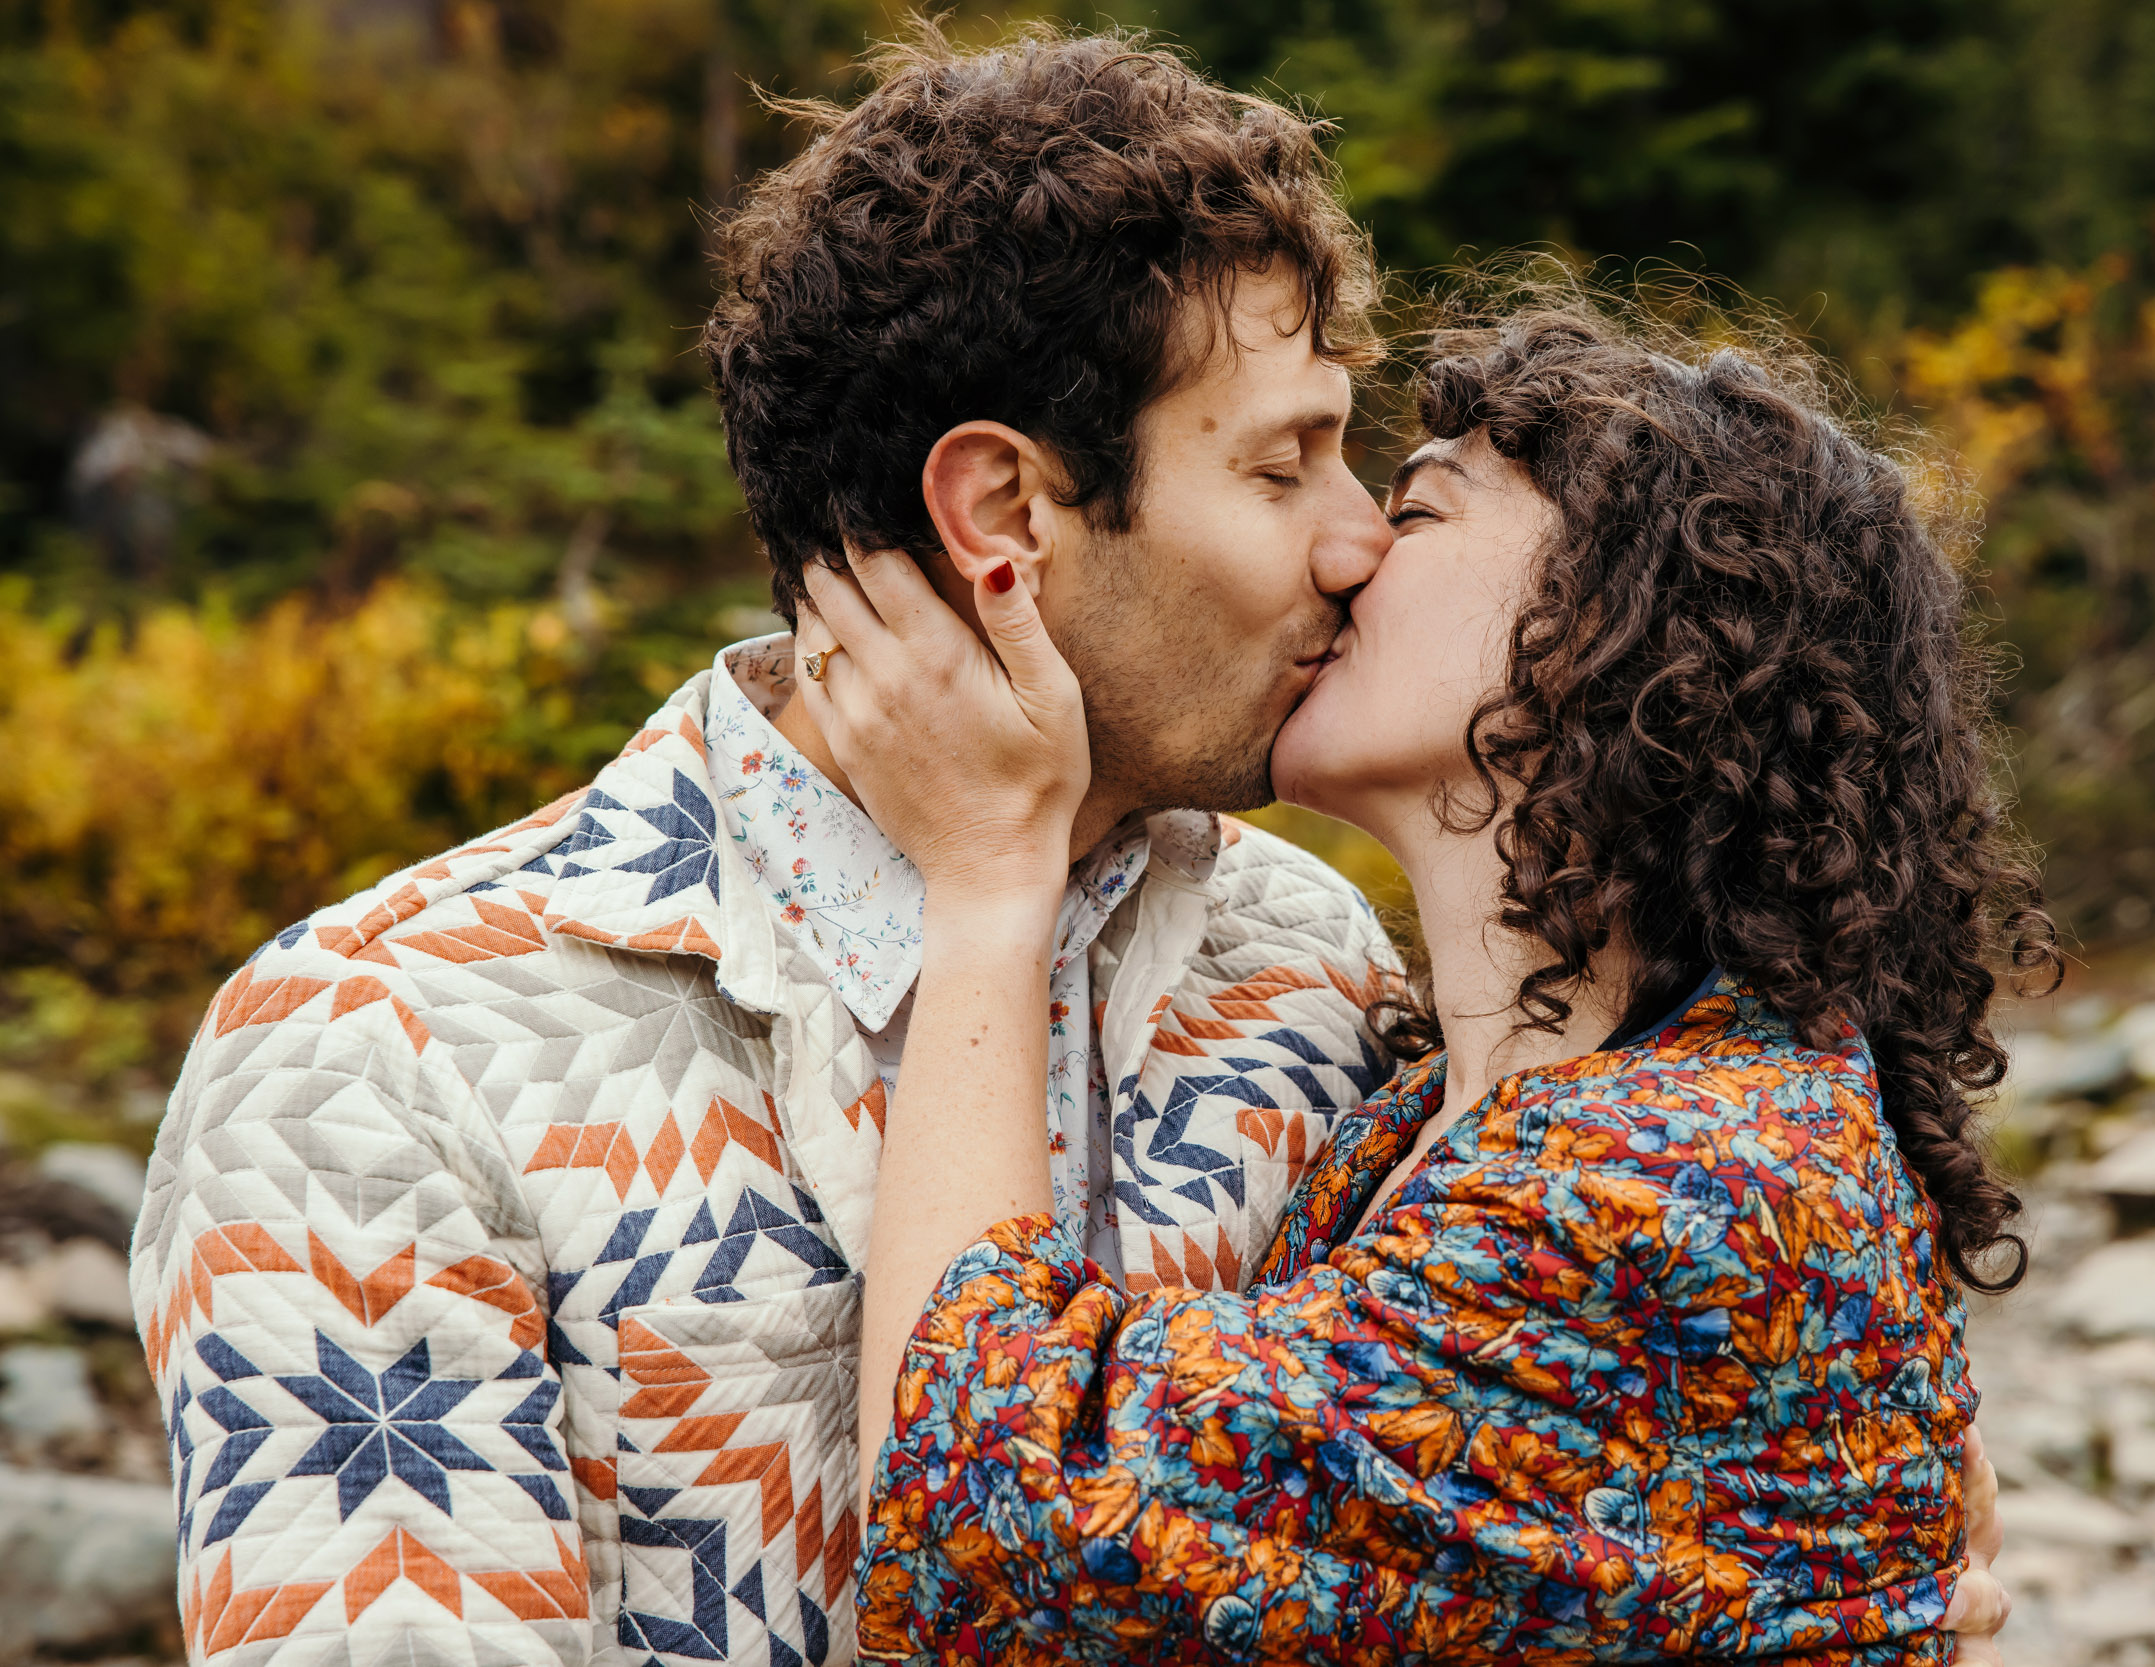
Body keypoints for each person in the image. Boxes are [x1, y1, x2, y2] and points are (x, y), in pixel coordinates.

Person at [128, 29, 1409, 1667]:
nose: (1360, 533)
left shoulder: (1308, 964)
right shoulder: (372, 1061)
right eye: (1284, 462)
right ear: (1006, 515)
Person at [795, 300, 2049, 1663]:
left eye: (1421, 512)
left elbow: (990, 1507)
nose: (1346, 551)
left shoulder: (1686, 1181)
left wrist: (987, 882)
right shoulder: (1417, 1106)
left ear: (1619, 630)